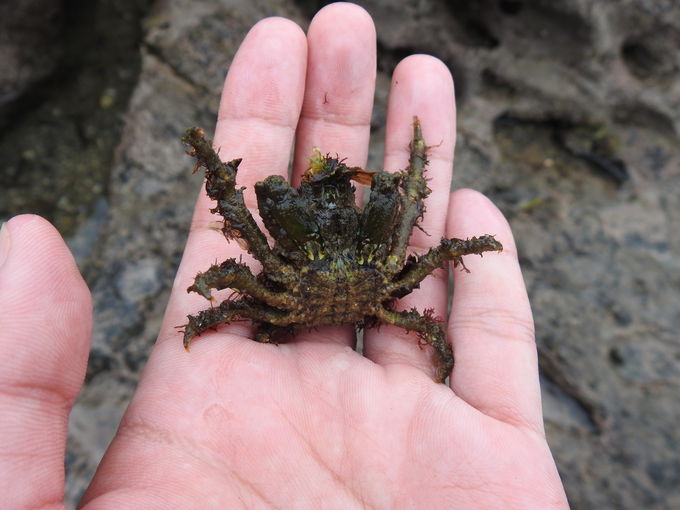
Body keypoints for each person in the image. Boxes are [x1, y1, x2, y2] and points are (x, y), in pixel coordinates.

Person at [0, 3, 569, 508]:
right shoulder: (388, 263)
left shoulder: (287, 271)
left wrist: (211, 294)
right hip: (368, 296)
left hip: (288, 304)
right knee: (399, 214)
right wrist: (435, 206)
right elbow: (417, 230)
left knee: (271, 211)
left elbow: (243, 241)